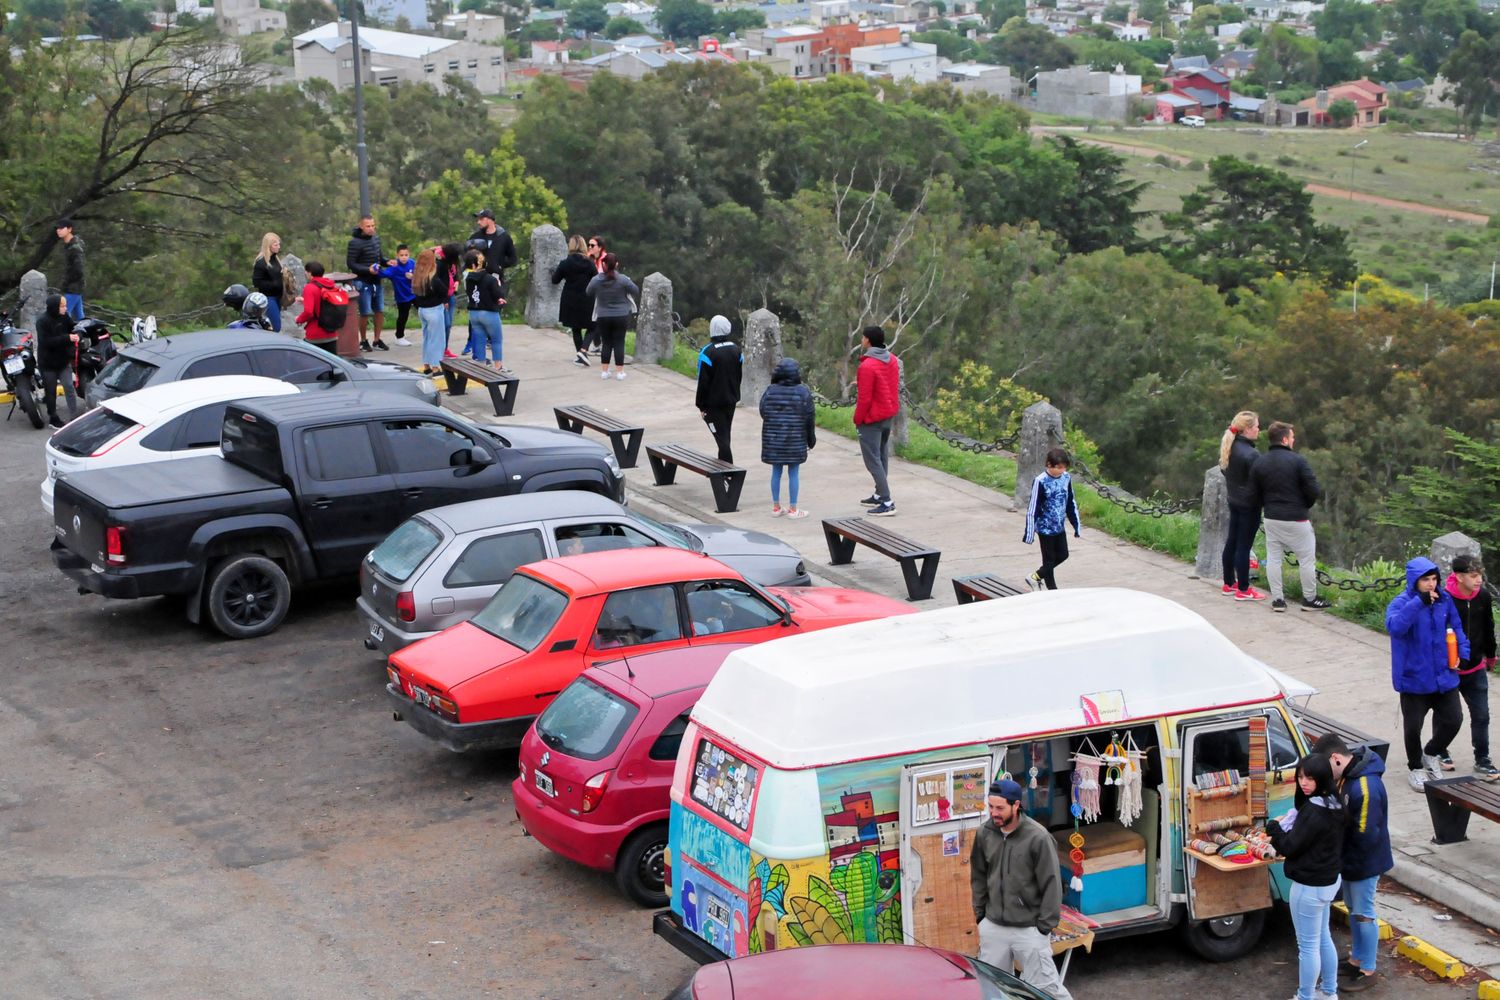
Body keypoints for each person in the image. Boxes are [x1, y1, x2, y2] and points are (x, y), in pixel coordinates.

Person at [970, 778, 1073, 1000]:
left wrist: (1044, 927)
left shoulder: (1038, 837)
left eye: (1000, 808)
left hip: (1029, 929)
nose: (993, 812)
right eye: (990, 806)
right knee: (992, 988)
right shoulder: (984, 833)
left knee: (1046, 989)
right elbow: (978, 875)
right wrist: (981, 916)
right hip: (993, 926)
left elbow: (1052, 884)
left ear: (1016, 805)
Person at [1312, 734, 1392, 994]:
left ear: (1336, 759)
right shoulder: (1349, 777)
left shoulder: (1365, 787)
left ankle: (1368, 969)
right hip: (1351, 860)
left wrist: (1338, 853)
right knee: (1353, 908)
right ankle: (1357, 958)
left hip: (1364, 862)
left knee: (1363, 913)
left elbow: (1365, 834)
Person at [1268, 754, 1346, 1000]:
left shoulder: (1312, 810)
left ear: (1321, 778)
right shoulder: (1336, 803)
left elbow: (1290, 847)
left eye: (1310, 778)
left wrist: (1274, 829)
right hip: (1330, 881)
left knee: (1307, 947)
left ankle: (1305, 997)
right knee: (1323, 938)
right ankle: (1330, 992)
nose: (1304, 782)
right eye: (1301, 777)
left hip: (1309, 886)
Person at [1387, 556, 1469, 792]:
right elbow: (1395, 627)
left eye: (1434, 579)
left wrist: (1462, 652)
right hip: (1414, 679)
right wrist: (1419, 603)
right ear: (1415, 581)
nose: (1431, 584)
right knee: (1413, 728)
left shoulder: (1445, 600)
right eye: (1426, 580)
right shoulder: (1401, 602)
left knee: (1454, 719)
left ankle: (1431, 753)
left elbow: (1457, 628)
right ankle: (1415, 768)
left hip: (1444, 676)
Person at [1250, 421, 1330, 613]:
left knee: (1274, 558)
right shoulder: (1298, 461)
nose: (1294, 440)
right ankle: (1309, 599)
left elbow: (1254, 493)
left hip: (1272, 517)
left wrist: (1268, 505)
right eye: (1292, 437)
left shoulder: (1260, 462)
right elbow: (1314, 490)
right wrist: (1304, 505)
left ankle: (1278, 599)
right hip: (1297, 518)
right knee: (1306, 560)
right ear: (1285, 439)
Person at [1438, 555, 1498, 776]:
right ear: (1459, 576)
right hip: (1449, 668)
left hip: (1475, 667)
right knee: (1446, 715)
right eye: (1473, 576)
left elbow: (1488, 626)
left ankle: (1482, 758)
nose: (1479, 580)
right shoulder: (1444, 599)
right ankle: (1440, 750)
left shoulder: (1482, 596)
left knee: (1482, 715)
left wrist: (1490, 655)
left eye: (1480, 574)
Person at [759, 357, 816, 519]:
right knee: (794, 472)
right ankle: (793, 509)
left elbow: (763, 412)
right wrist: (811, 440)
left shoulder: (770, 390)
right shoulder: (803, 392)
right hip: (795, 440)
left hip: (774, 439)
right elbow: (810, 418)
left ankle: (776, 507)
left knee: (776, 471)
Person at [853, 325, 901, 517]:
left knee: (872, 460)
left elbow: (865, 399)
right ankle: (880, 494)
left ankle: (887, 501)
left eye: (863, 337)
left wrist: (858, 419)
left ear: (868, 341)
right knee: (881, 456)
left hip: (871, 419)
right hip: (888, 415)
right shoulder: (893, 360)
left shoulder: (867, 366)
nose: (862, 340)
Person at [1219, 410, 1264, 601]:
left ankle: (1229, 583)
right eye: (1256, 427)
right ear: (1247, 430)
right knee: (1244, 546)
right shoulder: (1252, 454)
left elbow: (1224, 471)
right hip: (1249, 505)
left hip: (1234, 500)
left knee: (1232, 541)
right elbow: (1260, 481)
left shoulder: (1231, 446)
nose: (1258, 430)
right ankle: (1244, 589)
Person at [1023, 448, 1082, 591]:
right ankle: (1052, 590)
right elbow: (1033, 508)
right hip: (1045, 528)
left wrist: (1076, 524)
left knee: (1063, 555)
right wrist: (1029, 533)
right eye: (1058, 467)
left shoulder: (1066, 478)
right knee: (1048, 561)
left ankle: (1035, 577)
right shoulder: (1040, 481)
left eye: (1064, 467)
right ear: (1049, 465)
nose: (1062, 470)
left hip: (1059, 526)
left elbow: (1070, 502)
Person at [696, 315, 743, 463]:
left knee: (722, 439)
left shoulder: (707, 353)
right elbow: (739, 376)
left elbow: (703, 382)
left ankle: (728, 472)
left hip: (713, 404)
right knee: (725, 434)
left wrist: (701, 405)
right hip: (731, 400)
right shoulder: (736, 350)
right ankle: (724, 471)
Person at [586, 252, 638, 381]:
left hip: (603, 315)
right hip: (621, 315)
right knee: (619, 342)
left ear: (603, 264)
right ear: (617, 264)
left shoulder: (597, 280)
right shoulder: (623, 279)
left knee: (607, 342)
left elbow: (588, 292)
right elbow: (635, 290)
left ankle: (605, 371)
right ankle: (620, 372)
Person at [35, 293, 81, 428]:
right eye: (62, 306)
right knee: (51, 391)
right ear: (55, 307)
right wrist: (68, 338)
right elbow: (46, 341)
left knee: (69, 386)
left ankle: (74, 416)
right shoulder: (42, 321)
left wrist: (78, 334)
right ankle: (53, 417)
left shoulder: (65, 317)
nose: (65, 308)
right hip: (47, 363)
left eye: (65, 306)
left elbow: (74, 328)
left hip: (63, 361)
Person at [463, 249, 509, 374]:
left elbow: (470, 293)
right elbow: (497, 294)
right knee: (496, 339)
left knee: (479, 339)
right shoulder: (490, 279)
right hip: (489, 312)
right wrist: (500, 295)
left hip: (474, 312)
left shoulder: (468, 278)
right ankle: (498, 366)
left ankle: (481, 365)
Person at [552, 235, 596, 367]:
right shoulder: (589, 263)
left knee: (576, 328)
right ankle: (583, 351)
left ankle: (580, 353)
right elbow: (596, 279)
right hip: (587, 298)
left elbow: (555, 280)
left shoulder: (565, 263)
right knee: (593, 326)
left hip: (570, 298)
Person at [345, 215, 387, 351]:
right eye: (368, 226)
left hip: (377, 280)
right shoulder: (354, 243)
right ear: (361, 226)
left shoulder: (376, 239)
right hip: (362, 282)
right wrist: (367, 269)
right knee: (365, 312)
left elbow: (380, 257)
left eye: (373, 225)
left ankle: (377, 339)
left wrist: (388, 262)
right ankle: (363, 340)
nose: (371, 228)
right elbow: (351, 263)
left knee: (379, 310)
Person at [412, 248, 451, 376]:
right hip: (434, 310)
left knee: (427, 338)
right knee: (437, 339)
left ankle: (426, 365)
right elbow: (444, 291)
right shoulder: (433, 279)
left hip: (422, 310)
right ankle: (435, 367)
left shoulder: (417, 278)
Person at [293, 261, 342, 354]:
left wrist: (298, 319)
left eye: (306, 271)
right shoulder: (330, 285)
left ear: (310, 273)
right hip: (331, 333)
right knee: (333, 364)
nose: (305, 273)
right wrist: (305, 300)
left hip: (315, 335)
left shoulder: (309, 287)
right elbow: (324, 302)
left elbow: (309, 312)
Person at [469, 209, 518, 287]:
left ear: (489, 220)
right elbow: (467, 257)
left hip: (496, 279)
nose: (478, 222)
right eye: (478, 219)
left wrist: (499, 265)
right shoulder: (475, 237)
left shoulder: (504, 237)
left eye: (481, 219)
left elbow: (513, 258)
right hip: (478, 280)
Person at [379, 244, 415, 347]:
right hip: (402, 296)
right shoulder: (394, 267)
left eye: (406, 255)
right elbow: (384, 274)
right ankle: (399, 337)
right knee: (403, 316)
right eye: (401, 255)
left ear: (409, 254)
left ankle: (428, 332)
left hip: (414, 294)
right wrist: (376, 269)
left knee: (424, 310)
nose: (404, 257)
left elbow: (420, 275)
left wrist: (413, 276)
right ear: (397, 255)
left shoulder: (412, 263)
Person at [251, 233, 286, 332]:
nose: (278, 247)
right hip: (268, 297)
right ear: (269, 245)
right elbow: (256, 282)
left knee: (274, 325)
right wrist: (274, 284)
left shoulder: (275, 259)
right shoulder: (261, 262)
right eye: (276, 245)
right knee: (276, 327)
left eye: (279, 244)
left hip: (278, 296)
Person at [55, 219, 85, 321]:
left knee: (63, 315)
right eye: (58, 228)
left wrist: (67, 281)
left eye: (62, 228)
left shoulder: (75, 247)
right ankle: (86, 335)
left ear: (69, 229)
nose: (59, 230)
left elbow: (78, 270)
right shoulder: (69, 246)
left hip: (73, 287)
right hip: (74, 287)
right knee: (79, 317)